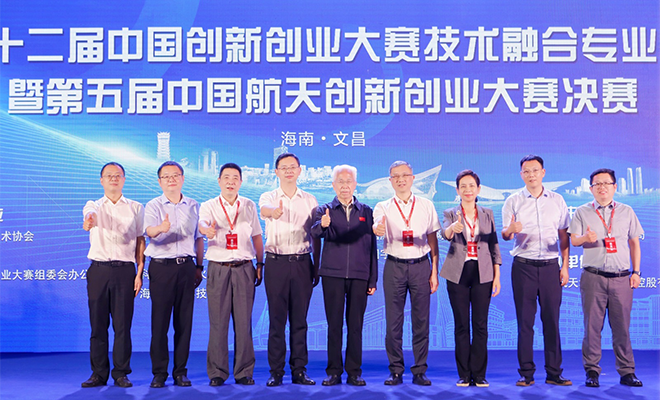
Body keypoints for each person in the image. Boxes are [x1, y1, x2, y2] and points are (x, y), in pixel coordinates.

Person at [568, 168, 643, 388]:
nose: (601, 187)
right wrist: (585, 237)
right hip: (593, 277)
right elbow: (574, 241)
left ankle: (627, 372)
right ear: (591, 188)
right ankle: (592, 371)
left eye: (606, 183)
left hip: (621, 278)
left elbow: (634, 243)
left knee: (622, 328)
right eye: (597, 184)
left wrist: (636, 272)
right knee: (592, 327)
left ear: (614, 187)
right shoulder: (582, 211)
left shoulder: (627, 211)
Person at [501, 154, 572, 387]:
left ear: (543, 172)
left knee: (552, 321)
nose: (531, 174)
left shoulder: (557, 200)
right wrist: (510, 229)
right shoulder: (513, 201)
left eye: (535, 170)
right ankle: (526, 373)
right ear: (521, 174)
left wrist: (565, 266)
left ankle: (554, 373)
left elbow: (564, 235)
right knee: (525, 322)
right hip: (524, 267)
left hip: (551, 267)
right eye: (526, 171)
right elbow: (505, 234)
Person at [373, 160, 440, 386]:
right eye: (395, 176)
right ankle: (396, 370)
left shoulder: (426, 205)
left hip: (421, 266)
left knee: (421, 320)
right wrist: (378, 229)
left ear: (413, 178)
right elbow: (377, 226)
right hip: (394, 266)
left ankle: (420, 370)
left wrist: (434, 271)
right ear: (390, 180)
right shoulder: (383, 206)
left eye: (405, 175)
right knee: (393, 321)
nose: (400, 179)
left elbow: (433, 239)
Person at [311, 165, 378, 387]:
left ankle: (354, 372)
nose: (345, 186)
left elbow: (372, 247)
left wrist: (372, 278)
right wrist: (322, 225)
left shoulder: (366, 212)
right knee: (334, 325)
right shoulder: (325, 210)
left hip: (360, 275)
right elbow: (314, 232)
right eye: (340, 181)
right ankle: (333, 372)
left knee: (356, 326)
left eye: (349, 181)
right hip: (333, 275)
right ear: (333, 185)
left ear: (355, 185)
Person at [259, 152, 321, 386]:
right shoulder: (268, 196)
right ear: (276, 172)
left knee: (300, 320)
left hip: (303, 263)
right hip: (276, 263)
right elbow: (264, 210)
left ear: (299, 170)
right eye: (283, 167)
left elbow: (316, 234)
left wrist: (317, 265)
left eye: (292, 167)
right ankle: (276, 371)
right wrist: (274, 212)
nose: (288, 171)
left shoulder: (310, 200)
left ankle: (299, 370)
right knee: (276, 320)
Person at [199, 163, 264, 386]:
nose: (230, 182)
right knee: (218, 322)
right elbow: (202, 224)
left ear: (241, 182)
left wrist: (260, 263)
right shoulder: (209, 205)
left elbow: (257, 236)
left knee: (244, 322)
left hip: (244, 267)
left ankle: (244, 371)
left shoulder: (248, 205)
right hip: (219, 268)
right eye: (226, 177)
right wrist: (206, 230)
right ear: (219, 181)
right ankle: (217, 372)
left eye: (235, 178)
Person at [81, 162, 145, 388]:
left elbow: (140, 240)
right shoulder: (94, 205)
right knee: (98, 325)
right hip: (99, 270)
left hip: (125, 271)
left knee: (122, 325)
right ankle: (98, 373)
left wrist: (139, 273)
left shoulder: (136, 207)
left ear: (124, 179)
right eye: (109, 175)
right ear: (101, 180)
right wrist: (89, 220)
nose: (113, 179)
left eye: (118, 175)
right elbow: (88, 217)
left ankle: (120, 373)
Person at [144, 161, 204, 388]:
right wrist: (161, 228)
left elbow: (199, 239)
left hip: (187, 267)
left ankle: (180, 372)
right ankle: (159, 373)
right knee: (160, 322)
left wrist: (199, 266)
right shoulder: (153, 205)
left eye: (175, 175)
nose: (171, 179)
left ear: (183, 179)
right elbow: (149, 231)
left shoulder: (194, 205)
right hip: (161, 267)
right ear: (159, 181)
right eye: (166, 176)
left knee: (184, 322)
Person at [440, 170, 501, 388]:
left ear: (478, 189)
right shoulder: (450, 213)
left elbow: (494, 244)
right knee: (461, 325)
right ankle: (464, 374)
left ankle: (480, 374)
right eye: (463, 186)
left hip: (483, 271)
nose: (468, 190)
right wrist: (452, 228)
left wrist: (497, 276)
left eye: (471, 186)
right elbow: (444, 234)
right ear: (457, 190)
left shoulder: (487, 213)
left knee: (480, 324)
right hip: (457, 272)